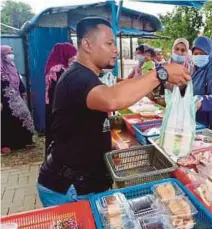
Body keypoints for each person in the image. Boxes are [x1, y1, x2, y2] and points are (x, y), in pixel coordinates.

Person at [37, 17, 191, 207]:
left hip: (85, 182)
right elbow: (112, 100)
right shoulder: (77, 78)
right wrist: (161, 73)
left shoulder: (89, 76)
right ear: (87, 44)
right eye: (109, 43)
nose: (115, 49)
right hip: (69, 188)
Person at [44, 43, 77, 155]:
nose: (74, 57)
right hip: (58, 108)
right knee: (59, 135)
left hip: (54, 106)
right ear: (65, 55)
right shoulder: (57, 70)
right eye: (73, 54)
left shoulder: (57, 67)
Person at [1, 45, 35, 154]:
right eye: (8, 53)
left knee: (24, 115)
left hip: (16, 97)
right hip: (5, 100)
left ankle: (24, 141)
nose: (11, 55)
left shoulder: (12, 66)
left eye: (11, 52)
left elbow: (18, 80)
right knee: (7, 121)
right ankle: (5, 144)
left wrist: (23, 90)